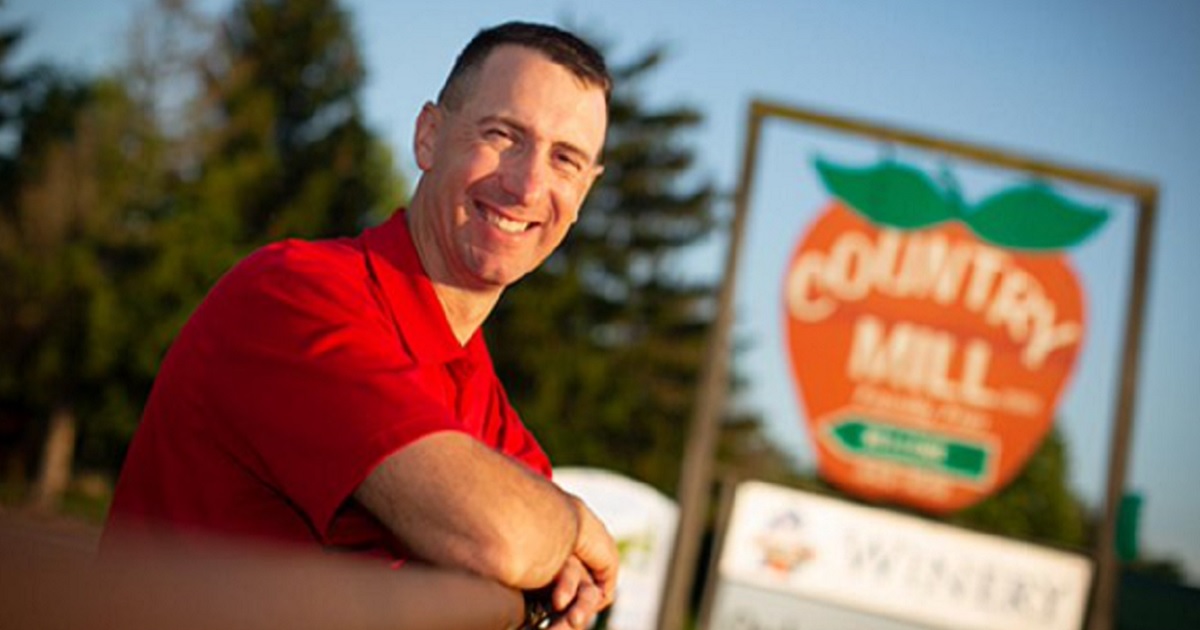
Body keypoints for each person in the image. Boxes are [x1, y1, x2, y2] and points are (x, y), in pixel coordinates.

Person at [103, 21, 619, 629]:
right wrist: (575, 523)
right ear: (429, 136)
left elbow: (537, 559)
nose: (529, 184)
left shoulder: (502, 433)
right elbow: (499, 535)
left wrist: (550, 537)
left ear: (584, 192)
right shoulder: (293, 296)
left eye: (565, 160)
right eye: (503, 135)